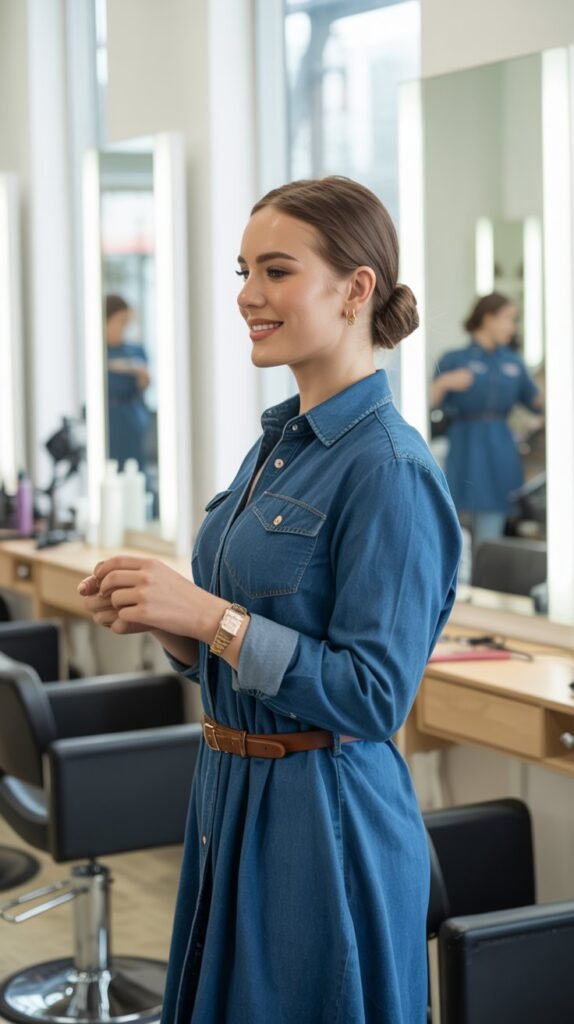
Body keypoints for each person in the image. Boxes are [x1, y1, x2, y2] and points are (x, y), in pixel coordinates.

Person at [78, 177, 462, 1024]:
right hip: (229, 790)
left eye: (276, 271)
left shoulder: (389, 471)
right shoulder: (275, 448)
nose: (248, 295)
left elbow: (374, 694)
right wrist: (168, 622)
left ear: (356, 289)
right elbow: (238, 639)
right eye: (243, 270)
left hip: (324, 820)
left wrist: (208, 617)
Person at [430, 292, 544, 556]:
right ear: (488, 319)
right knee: (449, 535)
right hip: (464, 449)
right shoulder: (453, 359)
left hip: (500, 453)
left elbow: (536, 402)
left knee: (489, 539)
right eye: (507, 319)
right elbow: (424, 405)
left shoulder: (513, 362)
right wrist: (444, 383)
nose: (512, 327)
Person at [105, 294, 151, 471]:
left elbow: (144, 384)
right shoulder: (97, 351)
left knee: (135, 468)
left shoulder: (135, 351)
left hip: (131, 420)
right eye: (120, 321)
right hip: (109, 421)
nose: (123, 328)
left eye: (126, 322)